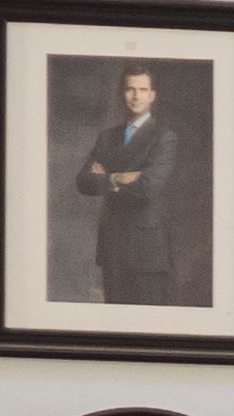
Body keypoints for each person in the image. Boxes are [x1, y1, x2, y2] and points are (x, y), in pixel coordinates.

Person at [76, 62, 187, 304]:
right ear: (122, 93)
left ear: (153, 95)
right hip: (112, 246)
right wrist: (117, 178)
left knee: (147, 320)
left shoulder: (163, 137)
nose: (136, 96)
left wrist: (105, 177)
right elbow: (83, 181)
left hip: (146, 250)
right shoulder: (107, 137)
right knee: (114, 319)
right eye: (130, 89)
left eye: (143, 89)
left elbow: (148, 187)